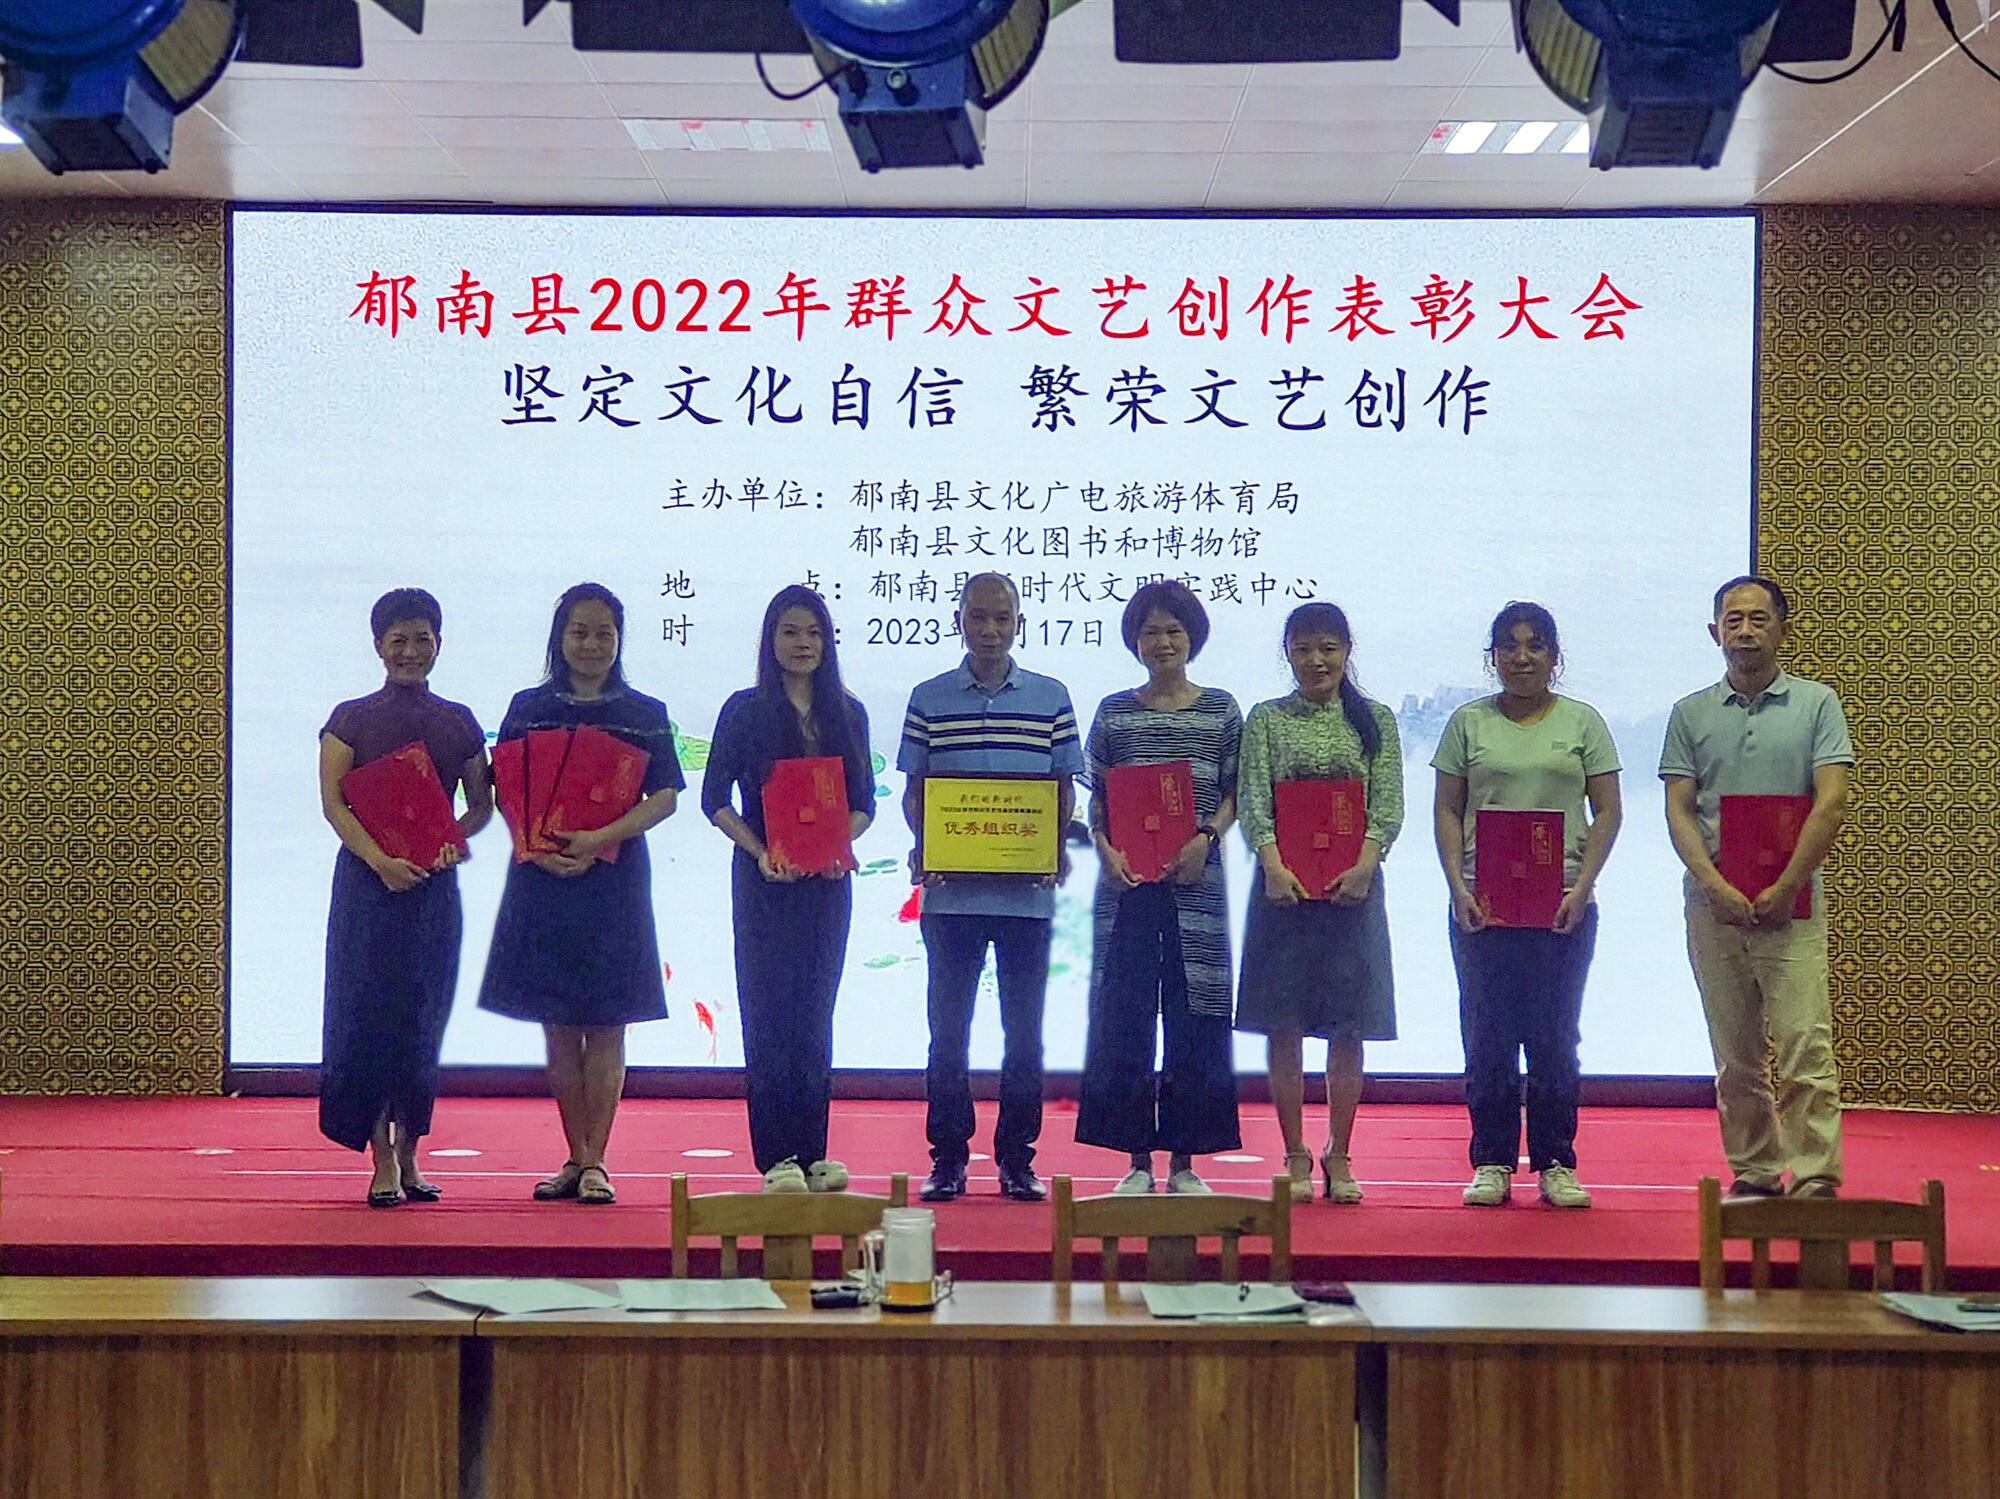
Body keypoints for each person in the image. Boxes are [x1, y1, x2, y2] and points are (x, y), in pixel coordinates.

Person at [478, 583, 683, 1206]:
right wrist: (536, 844)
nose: (591, 644)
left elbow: (665, 796)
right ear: (559, 637)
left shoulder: (644, 712)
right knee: (560, 1025)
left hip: (614, 880)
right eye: (579, 632)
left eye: (604, 633)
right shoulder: (528, 706)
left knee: (610, 1021)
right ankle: (576, 1154)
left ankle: (596, 1160)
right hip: (541, 878)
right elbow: (504, 788)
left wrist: (599, 839)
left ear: (619, 640)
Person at [1661, 575, 1852, 1199]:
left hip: (1793, 906)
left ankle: (1816, 1173)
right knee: (1735, 1053)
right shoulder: (1689, 713)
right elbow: (1679, 809)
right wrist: (1712, 885)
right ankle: (1755, 1169)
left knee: (1804, 1045)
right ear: (1715, 632)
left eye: (1759, 619)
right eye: (1733, 620)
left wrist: (1788, 882)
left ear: (1783, 630)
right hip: (1713, 907)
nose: (1745, 631)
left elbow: (1830, 802)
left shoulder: (1817, 704)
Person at [899, 571, 1085, 1204]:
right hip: (950, 896)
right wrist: (927, 845)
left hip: (1027, 898)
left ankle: (1016, 1160)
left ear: (1019, 623)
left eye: (1002, 618)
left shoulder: (1051, 698)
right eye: (977, 617)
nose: (989, 630)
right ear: (959, 621)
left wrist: (1053, 850)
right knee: (947, 1033)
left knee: (1024, 1034)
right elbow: (916, 792)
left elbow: (1062, 790)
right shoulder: (928, 698)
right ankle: (948, 1159)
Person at [1432, 602, 1622, 1210]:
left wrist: (1582, 887)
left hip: (1562, 907)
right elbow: (1447, 810)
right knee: (1486, 1036)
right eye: (1508, 646)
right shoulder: (1467, 723)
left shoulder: (1583, 722)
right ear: (1492, 656)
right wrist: (1457, 888)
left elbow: (1608, 811)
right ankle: (1491, 1160)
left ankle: (1555, 1161)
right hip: (1481, 907)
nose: (1521, 657)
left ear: (1554, 656)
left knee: (1554, 1037)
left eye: (1535, 645)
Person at [318, 588, 493, 1207]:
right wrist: (379, 861)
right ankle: (381, 1157)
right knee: (366, 1016)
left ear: (439, 643)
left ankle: (412, 1151)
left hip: (431, 889)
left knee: (424, 1017)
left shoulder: (459, 721)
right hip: (367, 888)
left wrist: (452, 840)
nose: (411, 651)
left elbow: (482, 805)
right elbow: (334, 804)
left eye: (423, 639)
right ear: (378, 646)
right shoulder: (349, 719)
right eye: (399, 640)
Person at [702, 585, 876, 1195]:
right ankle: (776, 1156)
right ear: (770, 640)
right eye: (790, 632)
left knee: (814, 1013)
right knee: (767, 1011)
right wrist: (760, 851)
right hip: (763, 883)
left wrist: (837, 846)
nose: (803, 644)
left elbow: (864, 804)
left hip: (827, 886)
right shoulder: (744, 710)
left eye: (814, 633)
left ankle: (814, 1152)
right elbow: (714, 800)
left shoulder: (848, 712)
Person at [1078, 582, 1244, 1196]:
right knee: (1123, 1016)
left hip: (1195, 885)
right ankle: (1136, 1161)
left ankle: (1184, 1162)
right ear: (1135, 641)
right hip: (1126, 887)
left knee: (1195, 1016)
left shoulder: (1221, 710)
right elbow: (1097, 799)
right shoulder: (1114, 712)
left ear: (1193, 637)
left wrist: (1207, 838)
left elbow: (1237, 792)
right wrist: (1104, 848)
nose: (1163, 642)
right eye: (1150, 631)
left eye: (1174, 630)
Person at [1235, 602, 1401, 1205]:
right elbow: (1253, 797)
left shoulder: (1374, 719)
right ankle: (1295, 1152)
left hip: (1353, 890)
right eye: (1303, 649)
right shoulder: (1267, 719)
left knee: (1347, 1025)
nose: (1316, 660)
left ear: (1347, 651)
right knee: (1283, 1023)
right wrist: (1273, 865)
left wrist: (1366, 865)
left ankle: (1340, 1152)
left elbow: (1388, 801)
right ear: (1288, 653)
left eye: (1328, 648)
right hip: (1281, 890)